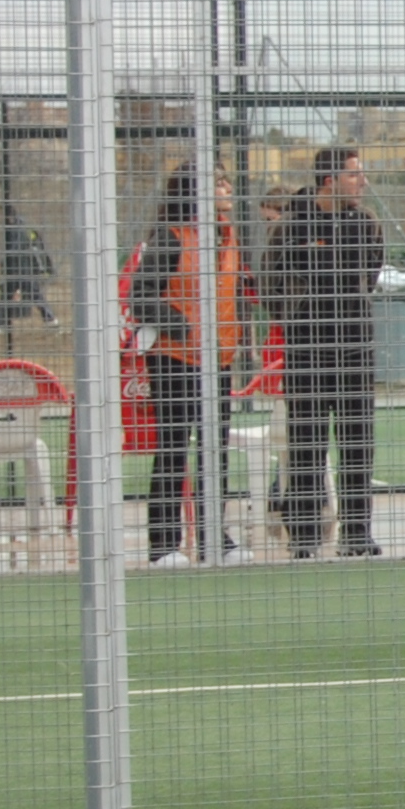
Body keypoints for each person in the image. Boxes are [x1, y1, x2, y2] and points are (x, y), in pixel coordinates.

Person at [257, 146, 388, 558]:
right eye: (354, 174)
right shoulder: (292, 225)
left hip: (354, 348)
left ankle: (357, 533)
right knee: (306, 445)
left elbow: (371, 273)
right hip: (307, 350)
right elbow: (269, 284)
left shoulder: (365, 223)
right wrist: (299, 316)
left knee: (357, 443)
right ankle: (304, 536)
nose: (362, 181)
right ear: (329, 181)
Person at [128, 163, 249, 567]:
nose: (227, 187)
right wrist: (182, 325)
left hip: (218, 360)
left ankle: (215, 538)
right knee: (174, 449)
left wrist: (238, 333)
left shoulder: (227, 235)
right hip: (175, 359)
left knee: (216, 452)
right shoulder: (172, 236)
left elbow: (235, 291)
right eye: (219, 182)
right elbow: (140, 295)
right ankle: (163, 545)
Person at [0, 211, 57, 326]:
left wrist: (1, 263)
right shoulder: (26, 229)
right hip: (24, 269)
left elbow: (14, 249)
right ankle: (50, 319)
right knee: (34, 296)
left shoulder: (18, 230)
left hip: (20, 270)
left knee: (10, 297)